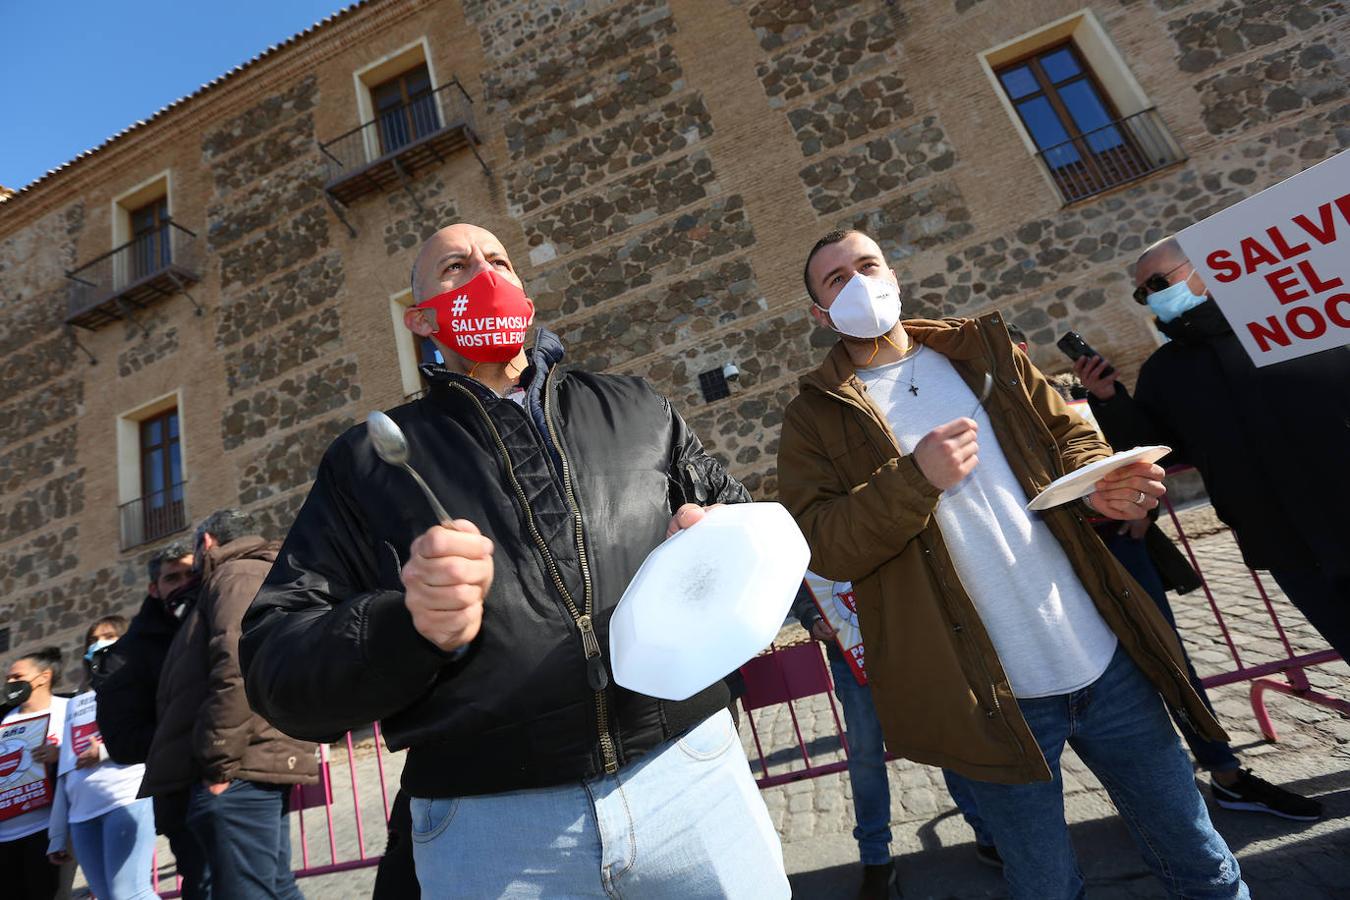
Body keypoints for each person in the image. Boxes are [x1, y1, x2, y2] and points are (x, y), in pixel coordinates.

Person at [240, 223, 789, 898]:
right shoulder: (367, 461)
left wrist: (709, 539)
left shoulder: (638, 406)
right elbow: (278, 660)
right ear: (420, 320)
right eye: (455, 267)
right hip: (495, 829)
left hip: (691, 774)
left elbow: (744, 525)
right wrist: (405, 624)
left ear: (524, 294)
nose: (484, 274)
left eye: (498, 260)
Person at [777, 229, 1248, 899]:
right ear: (820, 316)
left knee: (1199, 857)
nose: (857, 283)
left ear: (894, 276)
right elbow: (822, 542)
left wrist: (1105, 481)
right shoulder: (813, 418)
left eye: (867, 265)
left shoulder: (983, 354)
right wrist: (916, 480)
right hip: (987, 698)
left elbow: (1072, 436)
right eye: (835, 280)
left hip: (1102, 656)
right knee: (1045, 885)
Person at [1049, 365, 1322, 820]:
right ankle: (1149, 796)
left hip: (1120, 547)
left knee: (1171, 660)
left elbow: (1128, 453)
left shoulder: (1069, 396)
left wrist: (1142, 509)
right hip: (1056, 566)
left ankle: (1225, 773)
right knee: (1096, 684)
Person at [1076, 234, 1350, 662]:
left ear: (1208, 270)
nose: (1151, 298)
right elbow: (1151, 447)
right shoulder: (1163, 372)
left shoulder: (1298, 318)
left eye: (1159, 283)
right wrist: (1110, 399)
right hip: (1285, 546)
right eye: (1142, 292)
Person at [140, 510, 318, 899]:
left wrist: (219, 765)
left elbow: (236, 668)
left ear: (206, 544)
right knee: (273, 887)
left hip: (239, 767)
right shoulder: (250, 574)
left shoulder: (233, 576)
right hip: (251, 761)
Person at [96, 541, 211, 898]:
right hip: (183, 795)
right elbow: (122, 740)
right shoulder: (127, 655)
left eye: (191, 573)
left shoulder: (222, 618)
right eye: (171, 577)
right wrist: (193, 738)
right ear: (154, 588)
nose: (183, 583)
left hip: (247, 783)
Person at [46, 617, 158, 900]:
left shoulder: (135, 686)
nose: (98, 643)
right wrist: (58, 834)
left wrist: (104, 751)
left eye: (108, 635)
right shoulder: (74, 701)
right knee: (107, 896)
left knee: (131, 893)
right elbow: (66, 771)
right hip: (82, 813)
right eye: (93, 639)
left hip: (125, 795)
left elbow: (148, 732)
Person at [1, 648, 69, 900]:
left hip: (46, 829)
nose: (10, 683)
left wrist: (60, 753)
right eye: (8, 679)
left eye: (16, 677)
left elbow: (87, 751)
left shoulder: (68, 709)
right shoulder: (4, 718)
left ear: (43, 677)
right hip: (5, 835)